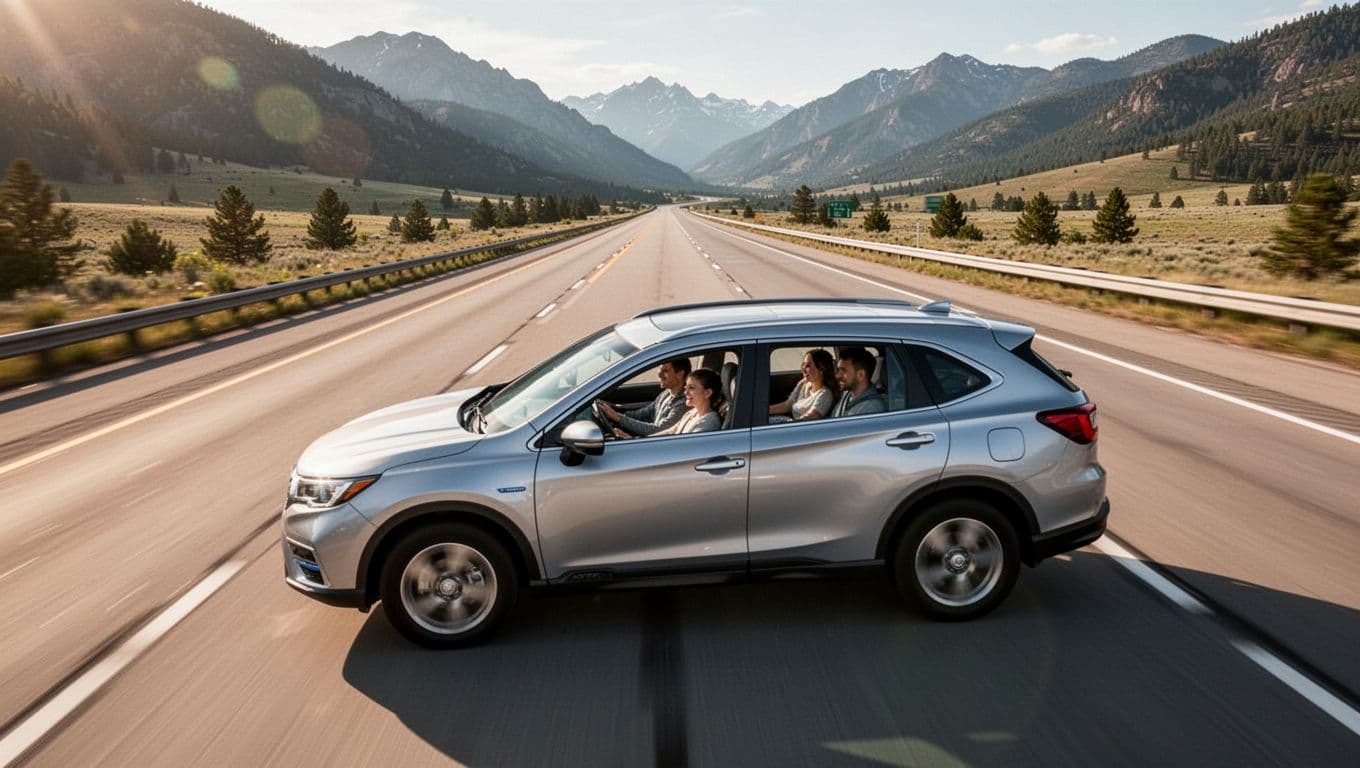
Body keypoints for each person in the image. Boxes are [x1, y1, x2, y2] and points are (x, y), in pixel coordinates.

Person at [614, 368, 723, 438]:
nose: (685, 392)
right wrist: (636, 441)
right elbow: (670, 432)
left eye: (692, 388)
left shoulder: (708, 423)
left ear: (707, 393)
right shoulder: (692, 413)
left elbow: (683, 450)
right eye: (686, 387)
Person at [597, 357, 690, 436]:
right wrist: (615, 409)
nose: (659, 374)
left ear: (680, 374)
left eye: (665, 370)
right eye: (660, 369)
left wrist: (618, 417)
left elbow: (658, 431)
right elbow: (642, 414)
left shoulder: (684, 403)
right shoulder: (666, 394)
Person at [768, 349, 836, 422]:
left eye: (808, 366)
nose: (803, 369)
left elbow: (808, 418)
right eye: (803, 364)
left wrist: (785, 425)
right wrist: (762, 411)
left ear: (821, 369)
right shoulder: (804, 383)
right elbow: (787, 405)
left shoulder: (825, 395)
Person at [832, 347, 887, 417]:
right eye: (838, 370)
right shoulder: (846, 395)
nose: (837, 376)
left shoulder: (872, 409)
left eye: (843, 370)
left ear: (860, 375)